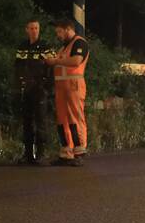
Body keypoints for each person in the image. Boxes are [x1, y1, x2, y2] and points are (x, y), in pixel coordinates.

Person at [44, 18, 90, 166]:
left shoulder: (79, 43)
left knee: (75, 118)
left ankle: (79, 153)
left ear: (68, 29)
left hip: (74, 85)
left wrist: (56, 61)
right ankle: (66, 153)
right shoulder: (64, 47)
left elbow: (76, 61)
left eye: (59, 31)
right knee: (62, 119)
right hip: (62, 87)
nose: (58, 35)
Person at [14, 19, 55, 164]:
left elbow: (52, 67)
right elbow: (17, 67)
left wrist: (47, 87)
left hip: (40, 89)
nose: (34, 30)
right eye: (31, 28)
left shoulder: (45, 46)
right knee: (27, 122)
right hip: (26, 89)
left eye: (36, 28)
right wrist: (18, 85)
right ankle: (28, 154)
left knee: (41, 121)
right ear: (26, 29)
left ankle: (41, 154)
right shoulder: (22, 47)